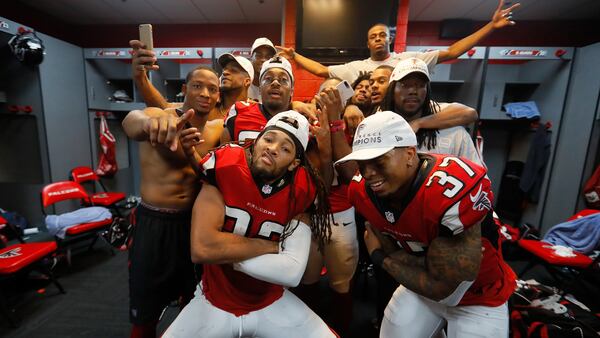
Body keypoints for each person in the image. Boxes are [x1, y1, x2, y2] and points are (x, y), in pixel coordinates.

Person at [336, 111, 516, 338]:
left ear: (410, 154)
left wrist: (380, 258)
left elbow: (444, 289)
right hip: (418, 291)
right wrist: (415, 264)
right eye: (362, 164)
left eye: (379, 161)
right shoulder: (361, 191)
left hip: (481, 297)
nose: (369, 174)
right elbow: (399, 254)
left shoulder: (450, 192)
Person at [163, 111, 337, 338]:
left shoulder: (301, 188)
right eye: (269, 139)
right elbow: (203, 249)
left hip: (270, 300)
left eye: (285, 148)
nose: (273, 148)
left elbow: (292, 271)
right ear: (256, 142)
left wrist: (229, 252)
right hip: (214, 299)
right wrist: (269, 247)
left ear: (294, 164)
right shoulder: (226, 166)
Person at [121, 66, 220, 338]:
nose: (205, 93)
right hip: (154, 223)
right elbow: (131, 121)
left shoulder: (218, 129)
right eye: (198, 85)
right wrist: (150, 125)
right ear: (184, 89)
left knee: (194, 305)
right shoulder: (158, 115)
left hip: (193, 225)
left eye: (213, 89)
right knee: (145, 313)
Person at [277, 0, 520, 84]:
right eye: (373, 37)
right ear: (368, 43)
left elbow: (452, 51)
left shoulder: (409, 61)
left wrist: (490, 26)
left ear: (390, 38)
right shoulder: (356, 67)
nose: (378, 39)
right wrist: (293, 55)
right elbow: (321, 70)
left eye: (382, 35)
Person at [382, 57, 482, 164]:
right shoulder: (379, 126)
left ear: (427, 91)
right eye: (405, 85)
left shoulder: (455, 134)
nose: (413, 91)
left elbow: (470, 113)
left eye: (421, 85)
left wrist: (417, 123)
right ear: (392, 89)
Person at [221, 55, 295, 144]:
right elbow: (223, 154)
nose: (275, 83)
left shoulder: (300, 122)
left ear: (291, 91)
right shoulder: (239, 112)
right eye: (268, 79)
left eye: (283, 79)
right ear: (259, 89)